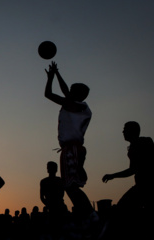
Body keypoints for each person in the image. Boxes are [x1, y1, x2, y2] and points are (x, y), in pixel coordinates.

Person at [44, 61, 97, 223]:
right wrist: (54, 76)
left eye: (72, 91)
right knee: (71, 186)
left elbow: (56, 93)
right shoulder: (75, 105)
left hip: (72, 149)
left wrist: (54, 76)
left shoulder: (79, 106)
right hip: (72, 149)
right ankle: (87, 216)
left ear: (78, 94)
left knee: (71, 186)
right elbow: (57, 93)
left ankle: (91, 216)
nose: (68, 92)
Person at [102, 121, 154, 238]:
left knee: (121, 209)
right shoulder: (138, 145)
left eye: (125, 129)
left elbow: (132, 170)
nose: (123, 132)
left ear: (132, 131)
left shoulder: (141, 144)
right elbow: (133, 169)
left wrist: (112, 175)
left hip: (145, 186)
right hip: (142, 186)